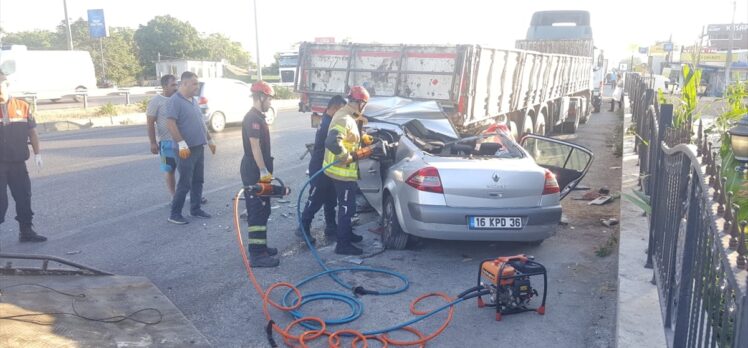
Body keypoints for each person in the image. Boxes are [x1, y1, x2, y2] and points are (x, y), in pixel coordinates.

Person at [324, 86, 372, 255]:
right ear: (360, 102)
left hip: (344, 173)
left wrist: (364, 138)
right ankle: (342, 245)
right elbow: (331, 142)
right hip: (341, 172)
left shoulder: (349, 114)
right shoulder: (344, 118)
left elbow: (349, 136)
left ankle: (347, 234)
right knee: (346, 208)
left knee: (348, 207)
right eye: (364, 104)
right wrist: (347, 157)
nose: (364, 108)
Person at [0, 71, 45, 242]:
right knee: (0, 202)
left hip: (18, 162)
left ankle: (26, 231)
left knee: (24, 197)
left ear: (7, 85)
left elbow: (32, 132)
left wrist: (37, 154)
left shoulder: (22, 106)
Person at [165, 71, 215, 224]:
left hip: (198, 146)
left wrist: (210, 140)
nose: (197, 86)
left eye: (198, 83)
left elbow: (201, 123)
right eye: (194, 83)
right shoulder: (175, 101)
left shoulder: (193, 100)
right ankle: (175, 214)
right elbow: (171, 124)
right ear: (184, 84)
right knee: (185, 182)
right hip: (185, 149)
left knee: (198, 180)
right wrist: (181, 143)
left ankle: (195, 209)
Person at [297, 95, 347, 244]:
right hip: (320, 167)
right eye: (342, 109)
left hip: (326, 167)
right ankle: (303, 228)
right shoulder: (328, 124)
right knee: (316, 199)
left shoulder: (327, 120)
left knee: (330, 199)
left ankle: (331, 227)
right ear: (336, 107)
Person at [242, 81, 281, 267]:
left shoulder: (258, 116)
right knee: (257, 211)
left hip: (259, 167)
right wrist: (263, 170)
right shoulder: (252, 119)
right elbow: (255, 146)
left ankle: (262, 247)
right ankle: (257, 255)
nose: (270, 102)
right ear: (262, 97)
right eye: (270, 98)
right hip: (254, 169)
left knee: (264, 209)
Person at [147, 75, 179, 197]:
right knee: (169, 170)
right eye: (173, 85)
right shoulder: (156, 101)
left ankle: (194, 194)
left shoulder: (178, 99)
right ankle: (173, 196)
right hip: (166, 144)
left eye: (176, 84)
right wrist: (153, 142)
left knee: (187, 170)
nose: (176, 87)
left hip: (181, 142)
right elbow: (150, 123)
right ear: (164, 86)